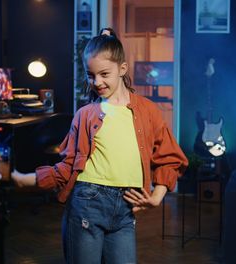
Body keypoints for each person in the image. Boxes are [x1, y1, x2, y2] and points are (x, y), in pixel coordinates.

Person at [11, 27, 188, 263]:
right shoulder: (85, 115)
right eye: (91, 75)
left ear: (122, 69)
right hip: (87, 205)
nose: (97, 82)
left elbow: (170, 157)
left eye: (104, 74)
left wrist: (157, 195)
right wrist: (26, 179)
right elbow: (68, 166)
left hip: (125, 210)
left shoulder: (147, 111)